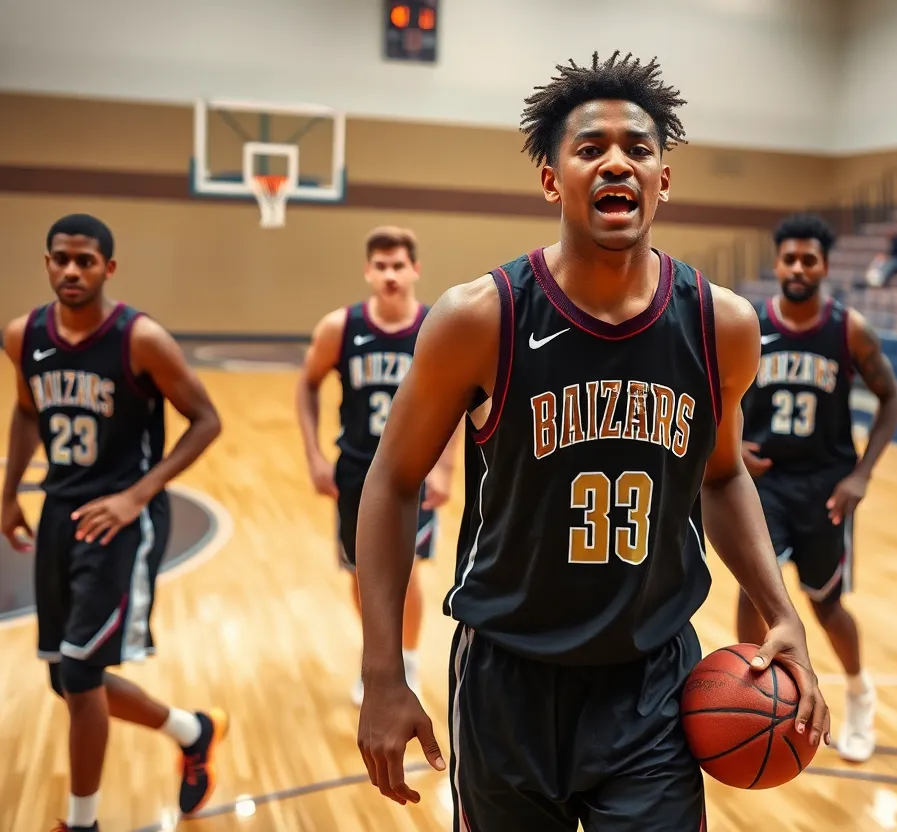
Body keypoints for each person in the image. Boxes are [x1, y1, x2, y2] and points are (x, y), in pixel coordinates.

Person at [353, 51, 831, 830]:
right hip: (507, 676)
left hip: (651, 682)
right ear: (552, 180)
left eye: (639, 149)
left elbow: (721, 476)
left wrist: (780, 610)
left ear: (664, 178)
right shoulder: (482, 317)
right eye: (591, 149)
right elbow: (393, 481)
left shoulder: (722, 326)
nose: (618, 162)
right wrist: (382, 672)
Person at [0, 214, 226, 832]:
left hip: (122, 522)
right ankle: (192, 729)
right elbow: (26, 410)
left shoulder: (139, 338)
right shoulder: (24, 335)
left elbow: (206, 420)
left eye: (86, 260)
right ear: (47, 263)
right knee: (66, 678)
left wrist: (137, 495)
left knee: (78, 674)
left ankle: (82, 824)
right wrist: (9, 492)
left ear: (108, 268)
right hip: (58, 510)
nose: (72, 270)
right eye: (61, 259)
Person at [738, 212, 897, 765]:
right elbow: (716, 396)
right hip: (764, 482)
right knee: (752, 591)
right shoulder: (750, 324)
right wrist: (730, 447)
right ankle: (751, 701)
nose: (799, 267)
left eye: (810, 259)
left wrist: (861, 475)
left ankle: (858, 692)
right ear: (778, 263)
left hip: (825, 486)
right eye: (790, 258)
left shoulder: (848, 329)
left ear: (825, 266)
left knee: (826, 604)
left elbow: (892, 399)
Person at [295, 226, 456, 707]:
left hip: (413, 469)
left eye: (398, 266)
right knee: (362, 574)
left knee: (404, 574)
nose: (390, 275)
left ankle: (405, 665)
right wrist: (313, 455)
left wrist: (445, 467)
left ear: (415, 270)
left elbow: (459, 398)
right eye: (381, 266)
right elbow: (307, 384)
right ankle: (378, 661)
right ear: (368, 271)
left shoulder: (437, 326)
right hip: (357, 470)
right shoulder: (340, 328)